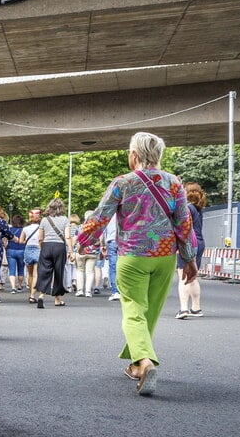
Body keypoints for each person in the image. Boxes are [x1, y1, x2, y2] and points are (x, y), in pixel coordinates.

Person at [78, 131, 197, 396]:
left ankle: (145, 362)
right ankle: (135, 365)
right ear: (159, 156)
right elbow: (183, 223)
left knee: (133, 310)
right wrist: (189, 258)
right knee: (150, 312)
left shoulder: (123, 182)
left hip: (132, 257)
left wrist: (81, 242)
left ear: (134, 156)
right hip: (165, 257)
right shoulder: (175, 183)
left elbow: (100, 216)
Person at [176, 182, 207, 319]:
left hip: (189, 243)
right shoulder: (198, 208)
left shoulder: (187, 208)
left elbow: (184, 228)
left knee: (183, 276)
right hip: (200, 242)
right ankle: (196, 308)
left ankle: (183, 309)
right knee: (193, 276)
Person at [33, 198, 70, 309]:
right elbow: (67, 236)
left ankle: (41, 296)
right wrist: (71, 251)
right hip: (59, 247)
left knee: (44, 271)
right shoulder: (65, 219)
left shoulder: (44, 220)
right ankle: (57, 299)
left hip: (46, 246)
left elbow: (40, 238)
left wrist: (42, 248)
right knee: (59, 272)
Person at [72, 210, 100, 297]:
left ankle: (80, 290)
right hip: (93, 252)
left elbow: (75, 239)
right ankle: (88, 291)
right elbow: (101, 240)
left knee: (80, 270)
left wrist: (72, 250)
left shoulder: (80, 227)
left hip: (80, 251)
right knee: (90, 272)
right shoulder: (97, 227)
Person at [19, 208, 42, 304]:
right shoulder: (41, 228)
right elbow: (42, 239)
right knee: (36, 274)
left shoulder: (25, 229)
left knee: (30, 274)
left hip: (28, 249)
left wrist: (26, 241)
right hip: (38, 249)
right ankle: (33, 295)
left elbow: (21, 241)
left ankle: (30, 293)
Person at [5, 214, 26, 293]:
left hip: (10, 250)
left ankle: (13, 287)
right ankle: (19, 286)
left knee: (12, 269)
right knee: (21, 269)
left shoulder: (9, 229)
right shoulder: (24, 230)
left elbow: (5, 239)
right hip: (22, 250)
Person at [103, 214, 121, 301]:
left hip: (112, 241)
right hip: (124, 242)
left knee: (113, 267)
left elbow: (103, 231)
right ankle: (124, 291)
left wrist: (103, 246)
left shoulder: (109, 214)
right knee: (125, 266)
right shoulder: (127, 211)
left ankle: (115, 292)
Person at [64, 214, 80, 293]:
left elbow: (67, 238)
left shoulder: (67, 228)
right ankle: (74, 280)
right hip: (76, 250)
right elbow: (76, 239)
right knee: (75, 267)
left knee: (67, 268)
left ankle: (68, 286)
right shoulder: (78, 229)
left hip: (67, 249)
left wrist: (69, 250)